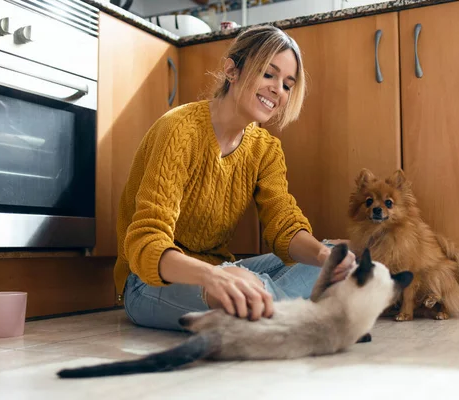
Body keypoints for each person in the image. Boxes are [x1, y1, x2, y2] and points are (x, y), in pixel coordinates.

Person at [113, 24, 355, 331]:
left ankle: (268, 304)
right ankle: (295, 312)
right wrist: (213, 277)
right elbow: (146, 241)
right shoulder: (178, 130)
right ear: (232, 70)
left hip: (221, 271)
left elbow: (284, 225)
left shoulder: (266, 149)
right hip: (149, 282)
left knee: (330, 258)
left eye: (287, 84)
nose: (277, 90)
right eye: (268, 74)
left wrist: (323, 254)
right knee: (248, 289)